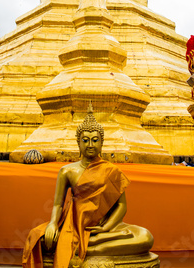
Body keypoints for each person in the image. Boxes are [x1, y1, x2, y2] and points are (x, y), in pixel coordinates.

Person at [22, 105, 154, 268]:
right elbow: (58, 204)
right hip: (74, 224)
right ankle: (82, 244)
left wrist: (105, 227)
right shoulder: (67, 171)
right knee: (39, 237)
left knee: (145, 236)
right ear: (78, 143)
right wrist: (52, 224)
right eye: (85, 140)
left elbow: (122, 206)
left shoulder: (111, 170)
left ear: (101, 143)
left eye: (95, 140)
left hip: (105, 226)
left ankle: (80, 246)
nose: (90, 144)